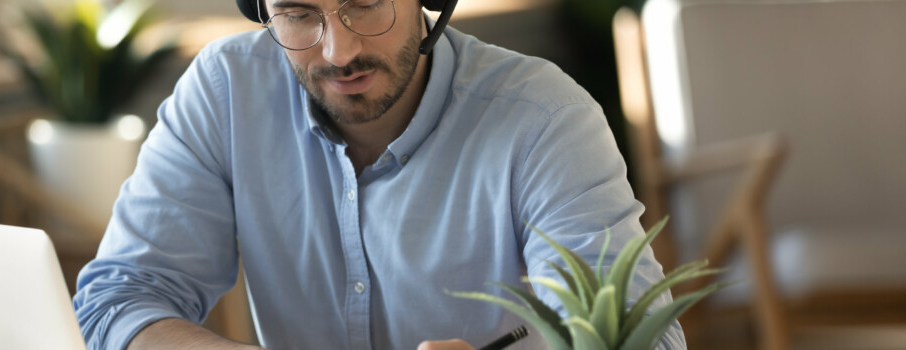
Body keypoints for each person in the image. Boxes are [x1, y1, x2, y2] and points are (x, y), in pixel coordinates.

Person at [73, 0, 686, 349]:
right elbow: (119, 298)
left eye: (364, 2)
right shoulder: (225, 90)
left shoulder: (546, 118)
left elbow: (640, 340)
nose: (338, 51)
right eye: (297, 13)